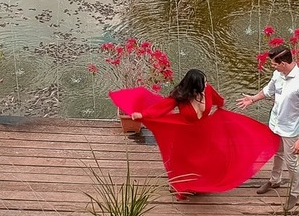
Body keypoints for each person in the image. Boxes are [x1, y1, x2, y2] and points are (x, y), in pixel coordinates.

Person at [110, 69, 279, 200]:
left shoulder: (208, 90)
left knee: (207, 158)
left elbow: (219, 101)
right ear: (194, 86)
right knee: (183, 160)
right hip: (184, 132)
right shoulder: (180, 96)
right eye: (203, 82)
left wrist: (221, 112)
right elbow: (161, 108)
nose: (206, 84)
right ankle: (179, 184)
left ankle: (200, 183)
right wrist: (142, 115)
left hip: (204, 131)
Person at [236, 45, 299, 210]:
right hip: (275, 124)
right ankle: (275, 180)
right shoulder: (278, 74)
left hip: (291, 130)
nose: (272, 67)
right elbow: (268, 90)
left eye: (274, 64)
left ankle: (294, 192)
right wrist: (253, 99)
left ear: (283, 63)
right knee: (277, 153)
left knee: (291, 162)